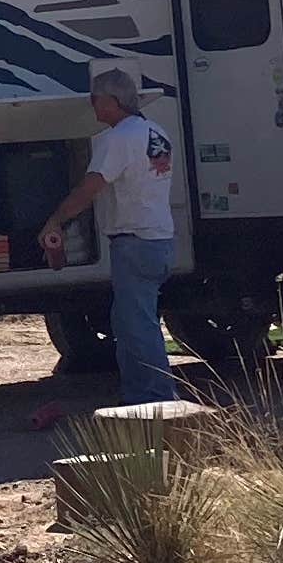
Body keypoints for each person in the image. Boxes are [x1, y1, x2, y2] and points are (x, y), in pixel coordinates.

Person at [38, 63, 180, 403]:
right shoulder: (156, 132)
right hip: (159, 238)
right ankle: (140, 393)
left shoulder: (118, 138)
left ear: (112, 101)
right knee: (133, 321)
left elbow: (90, 188)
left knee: (137, 325)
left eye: (95, 98)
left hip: (134, 242)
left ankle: (154, 396)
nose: (92, 104)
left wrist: (56, 220)